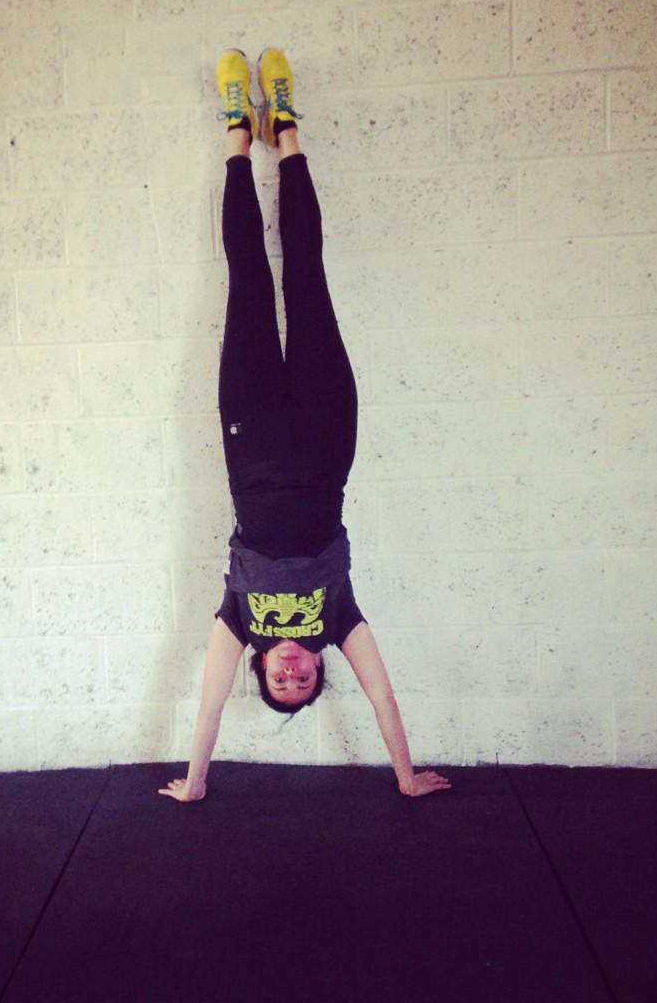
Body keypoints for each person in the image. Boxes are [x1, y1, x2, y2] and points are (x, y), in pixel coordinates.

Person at [158, 49, 451, 804]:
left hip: (250, 441)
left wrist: (195, 784)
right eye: (304, 682)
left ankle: (236, 133)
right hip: (326, 441)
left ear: (262, 666)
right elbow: (384, 698)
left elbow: (209, 706)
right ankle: (284, 128)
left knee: (249, 276)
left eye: (279, 683)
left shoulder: (238, 620)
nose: (292, 674)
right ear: (320, 665)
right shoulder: (339, 617)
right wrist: (404, 775)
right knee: (308, 271)